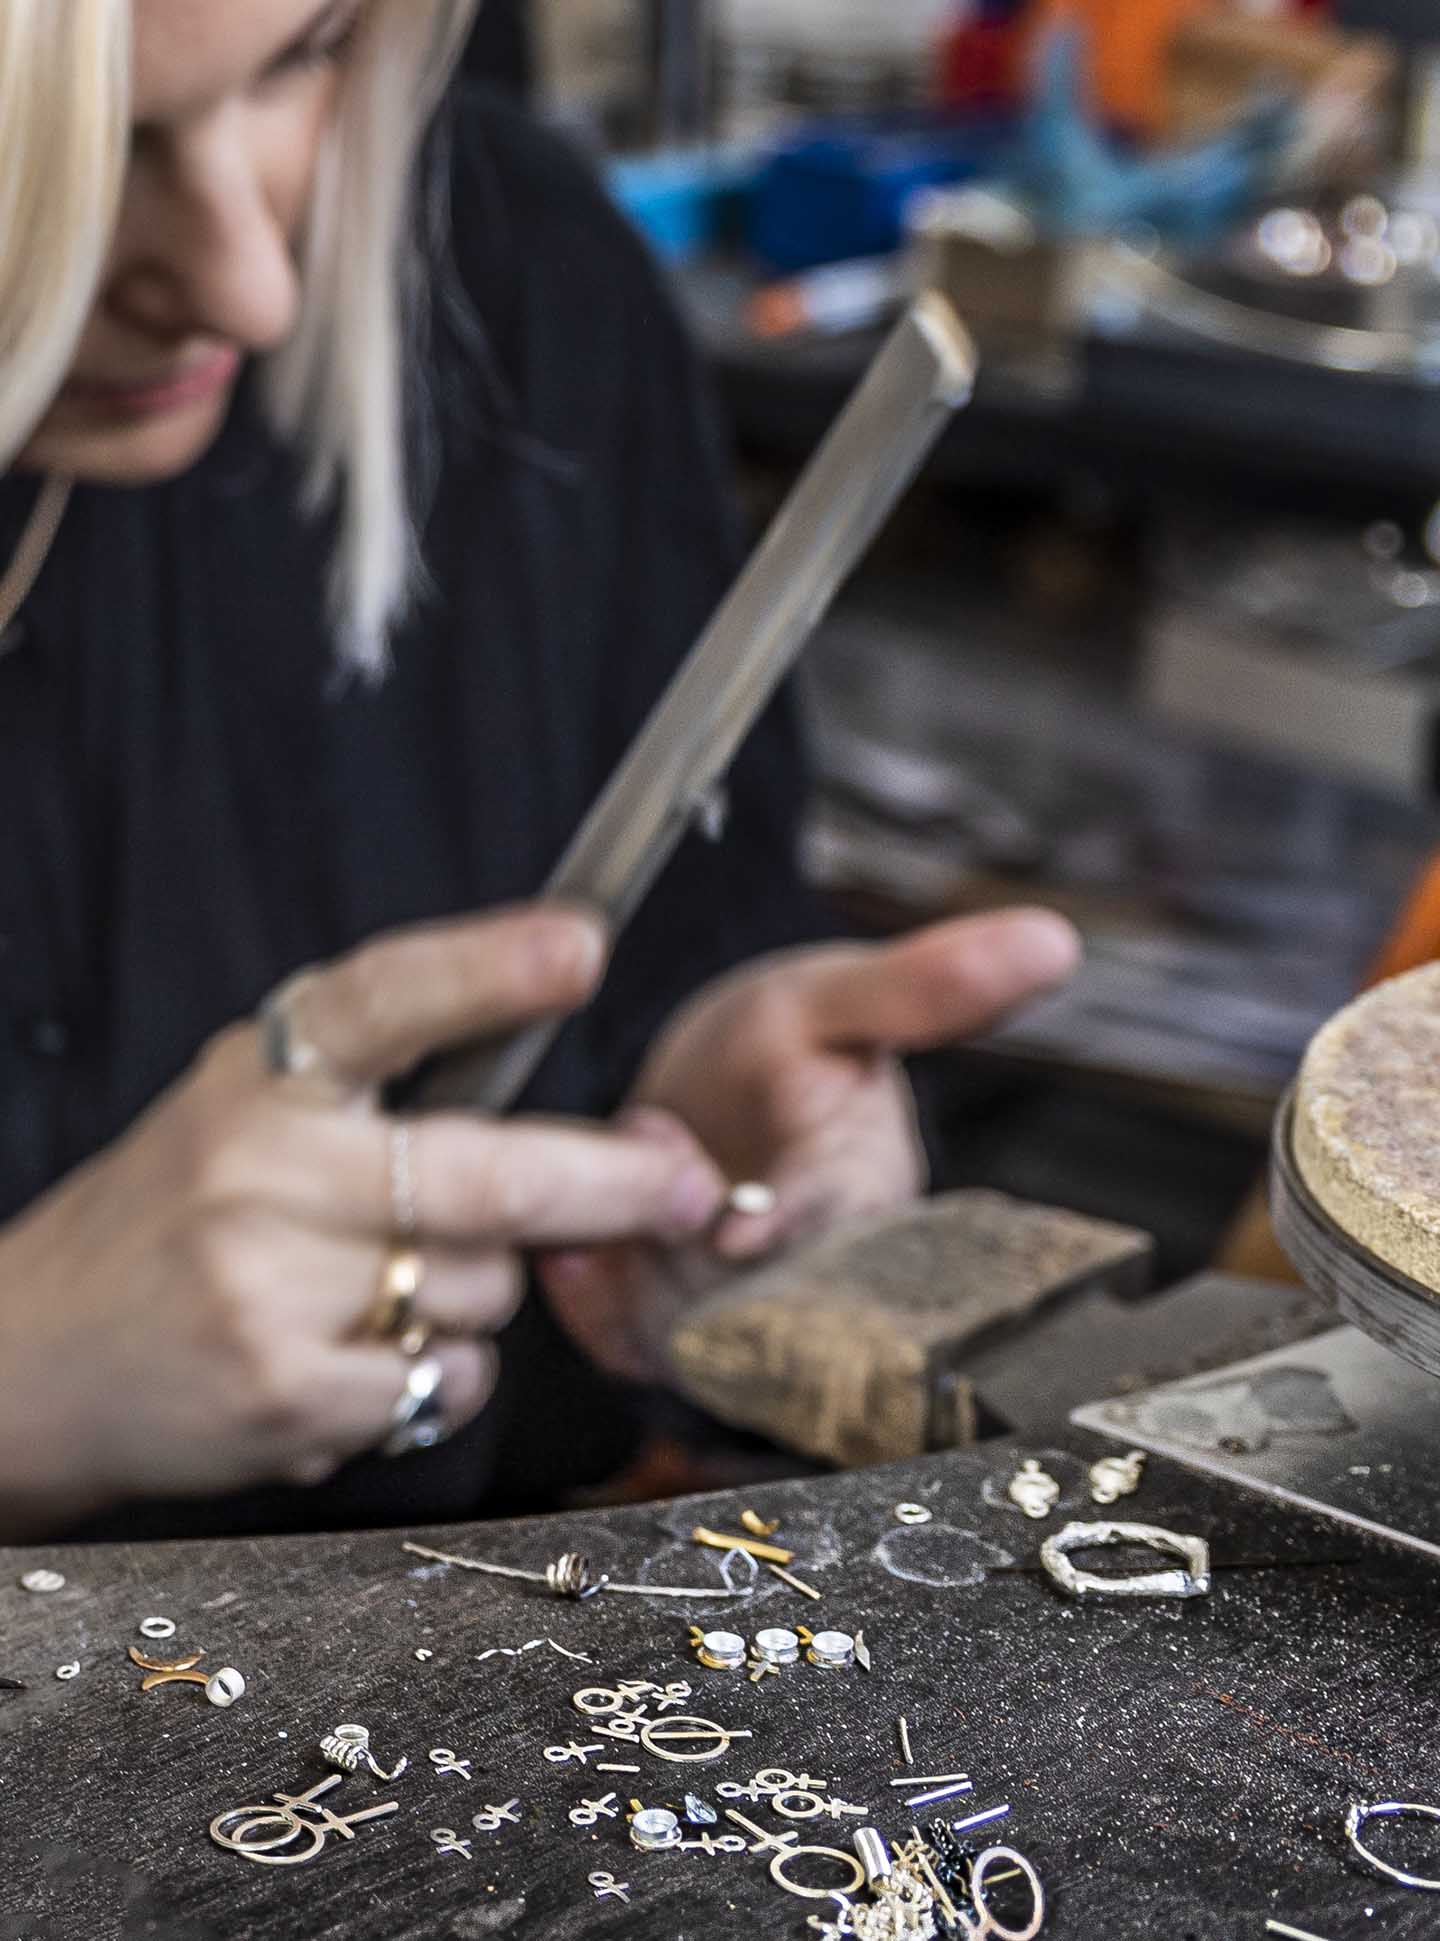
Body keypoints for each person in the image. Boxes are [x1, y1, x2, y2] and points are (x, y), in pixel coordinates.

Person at [0, 0, 1081, 1546]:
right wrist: (25, 1388)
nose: (247, 284)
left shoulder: (519, 275)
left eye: (300, 58)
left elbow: (703, 922)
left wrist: (706, 1114)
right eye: (77, 148)